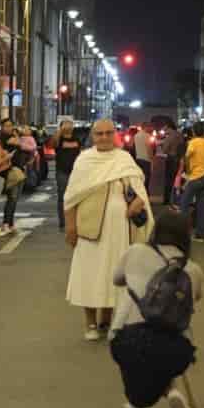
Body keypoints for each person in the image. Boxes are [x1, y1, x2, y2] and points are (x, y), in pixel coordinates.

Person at [110, 208, 202, 408]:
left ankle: (135, 405)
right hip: (175, 349)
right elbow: (195, 298)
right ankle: (168, 390)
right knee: (159, 353)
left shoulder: (135, 252)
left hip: (128, 340)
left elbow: (117, 279)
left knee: (133, 358)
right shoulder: (193, 269)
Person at [64, 118, 153, 341]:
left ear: (115, 134)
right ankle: (90, 323)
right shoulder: (84, 161)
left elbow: (139, 190)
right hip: (90, 231)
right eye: (99, 134)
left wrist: (138, 202)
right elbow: (71, 198)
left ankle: (107, 320)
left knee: (114, 276)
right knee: (89, 276)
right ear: (92, 136)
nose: (104, 138)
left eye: (108, 133)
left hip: (120, 231)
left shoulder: (124, 159)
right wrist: (71, 227)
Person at [54, 119, 82, 230]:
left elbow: (81, 152)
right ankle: (63, 222)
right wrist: (60, 131)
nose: (69, 126)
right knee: (63, 197)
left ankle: (74, 220)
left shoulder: (77, 138)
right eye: (66, 124)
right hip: (62, 171)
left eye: (71, 124)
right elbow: (52, 143)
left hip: (76, 172)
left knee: (76, 197)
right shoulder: (59, 139)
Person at [0, 118, 26, 233]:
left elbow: (21, 146)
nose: (9, 128)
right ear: (2, 127)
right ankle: (6, 223)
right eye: (6, 126)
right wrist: (17, 135)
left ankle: (10, 223)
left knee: (14, 199)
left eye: (11, 125)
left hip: (19, 170)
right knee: (12, 198)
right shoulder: (3, 138)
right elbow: (19, 142)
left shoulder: (12, 137)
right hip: (11, 171)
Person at [161, 122, 186, 206]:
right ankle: (176, 199)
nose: (164, 130)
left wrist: (162, 145)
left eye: (164, 128)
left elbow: (164, 150)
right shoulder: (180, 135)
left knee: (168, 180)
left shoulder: (169, 137)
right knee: (178, 180)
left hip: (171, 159)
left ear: (168, 127)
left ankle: (167, 200)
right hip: (179, 159)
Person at [134, 126, 153, 191]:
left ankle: (137, 193)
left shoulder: (136, 135)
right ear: (146, 127)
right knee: (146, 179)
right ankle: (145, 193)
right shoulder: (147, 135)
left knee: (139, 178)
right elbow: (149, 148)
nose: (150, 129)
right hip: (146, 159)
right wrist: (151, 158)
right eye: (149, 127)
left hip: (138, 159)